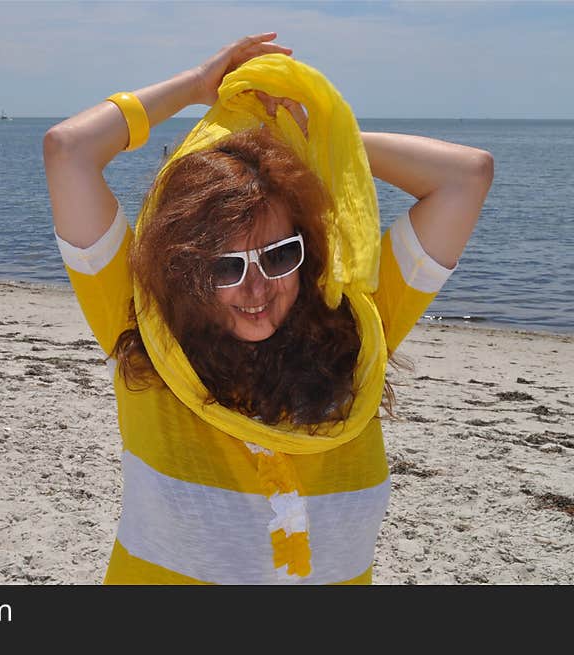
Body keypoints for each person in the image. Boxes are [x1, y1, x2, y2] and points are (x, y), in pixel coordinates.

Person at [42, 33, 493, 584]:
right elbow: (68, 152)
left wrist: (309, 138)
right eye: (224, 267)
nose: (256, 290)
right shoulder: (144, 328)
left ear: (306, 253)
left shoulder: (356, 335)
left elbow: (466, 177)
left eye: (279, 256)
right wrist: (195, 86)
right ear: (184, 270)